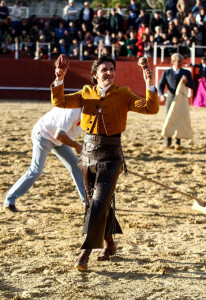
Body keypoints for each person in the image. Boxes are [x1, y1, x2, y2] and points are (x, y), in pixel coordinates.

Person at [51, 55, 159, 271]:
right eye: (104, 70)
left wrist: (149, 85)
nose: (109, 73)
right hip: (88, 155)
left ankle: (85, 252)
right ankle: (109, 244)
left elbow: (150, 108)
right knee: (95, 203)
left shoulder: (123, 94)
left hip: (111, 156)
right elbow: (59, 101)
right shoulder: (85, 92)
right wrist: (60, 78)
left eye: (112, 69)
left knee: (99, 202)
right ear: (95, 75)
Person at [3, 107, 85, 212]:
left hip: (59, 140)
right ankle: (10, 198)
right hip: (43, 135)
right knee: (36, 170)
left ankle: (87, 203)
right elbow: (59, 135)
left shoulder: (92, 115)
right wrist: (77, 146)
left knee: (76, 167)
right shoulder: (73, 111)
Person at [158, 53, 195, 150]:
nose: (179, 63)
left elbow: (193, 85)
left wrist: (187, 82)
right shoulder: (167, 72)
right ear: (173, 62)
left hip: (181, 98)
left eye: (180, 61)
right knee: (169, 118)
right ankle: (167, 142)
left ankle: (177, 142)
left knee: (179, 118)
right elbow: (161, 85)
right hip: (170, 98)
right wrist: (161, 95)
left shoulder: (186, 73)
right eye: (177, 61)